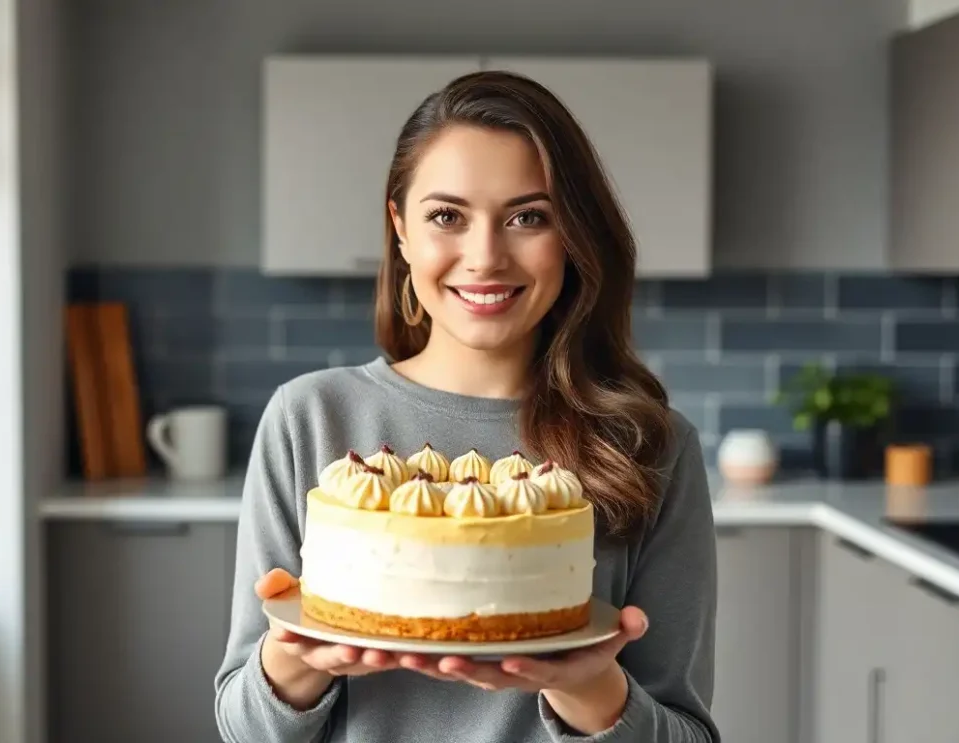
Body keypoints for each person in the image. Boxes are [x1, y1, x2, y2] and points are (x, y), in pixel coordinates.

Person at [214, 69, 719, 743]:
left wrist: (587, 685)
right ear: (400, 228)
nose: (485, 256)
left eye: (528, 217)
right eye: (447, 216)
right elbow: (244, 729)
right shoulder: (310, 420)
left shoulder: (648, 446)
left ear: (571, 234)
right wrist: (295, 660)